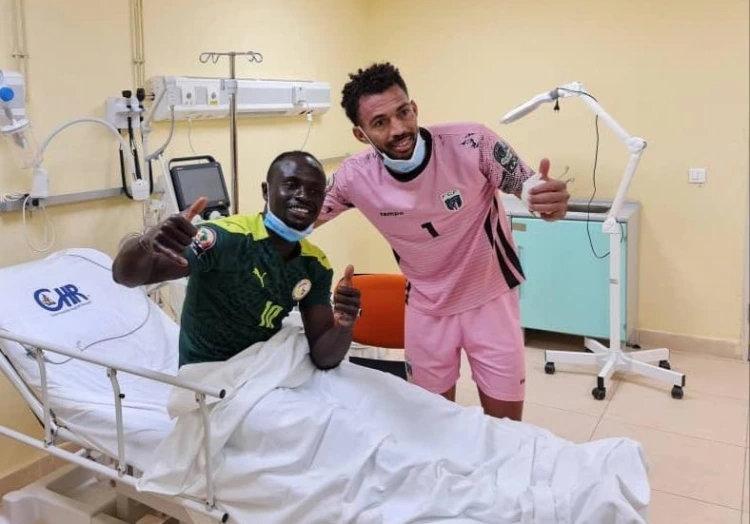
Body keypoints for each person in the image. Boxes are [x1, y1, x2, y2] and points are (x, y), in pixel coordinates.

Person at [315, 62, 570, 421]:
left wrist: (548, 202)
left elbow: (529, 188)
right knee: (431, 423)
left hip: (491, 298)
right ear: (361, 134)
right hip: (427, 306)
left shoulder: (472, 143)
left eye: (403, 112)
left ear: (414, 107)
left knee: (506, 427)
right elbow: (297, 220)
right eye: (380, 122)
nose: (399, 129)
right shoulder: (354, 178)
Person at [112, 150, 361, 370]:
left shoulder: (314, 264)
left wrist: (344, 324)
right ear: (266, 191)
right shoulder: (227, 239)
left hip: (266, 367)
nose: (304, 196)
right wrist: (147, 241)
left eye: (315, 191)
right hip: (209, 377)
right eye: (291, 185)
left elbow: (324, 357)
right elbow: (125, 277)